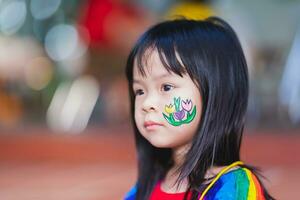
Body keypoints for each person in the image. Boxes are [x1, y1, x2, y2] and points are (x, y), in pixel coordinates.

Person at [124, 17, 274, 200]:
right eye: (140, 91)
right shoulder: (142, 190)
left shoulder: (234, 188)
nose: (147, 104)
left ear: (217, 93)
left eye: (166, 87)